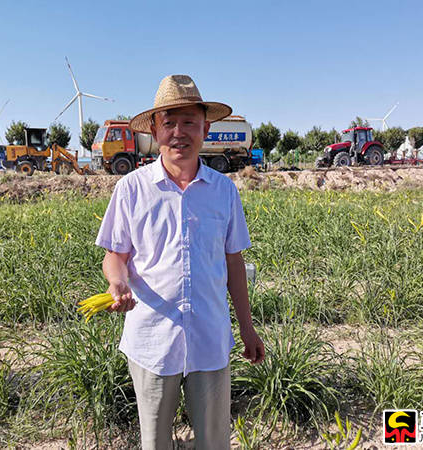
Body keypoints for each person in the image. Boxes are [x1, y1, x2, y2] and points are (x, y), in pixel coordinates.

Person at [95, 74, 265, 450]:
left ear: (205, 127)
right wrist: (117, 282)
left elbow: (233, 264)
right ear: (154, 130)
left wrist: (248, 330)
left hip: (210, 338)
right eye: (168, 122)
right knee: (155, 442)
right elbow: (114, 255)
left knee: (214, 441)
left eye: (189, 121)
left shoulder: (224, 192)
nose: (179, 132)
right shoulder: (131, 189)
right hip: (152, 340)